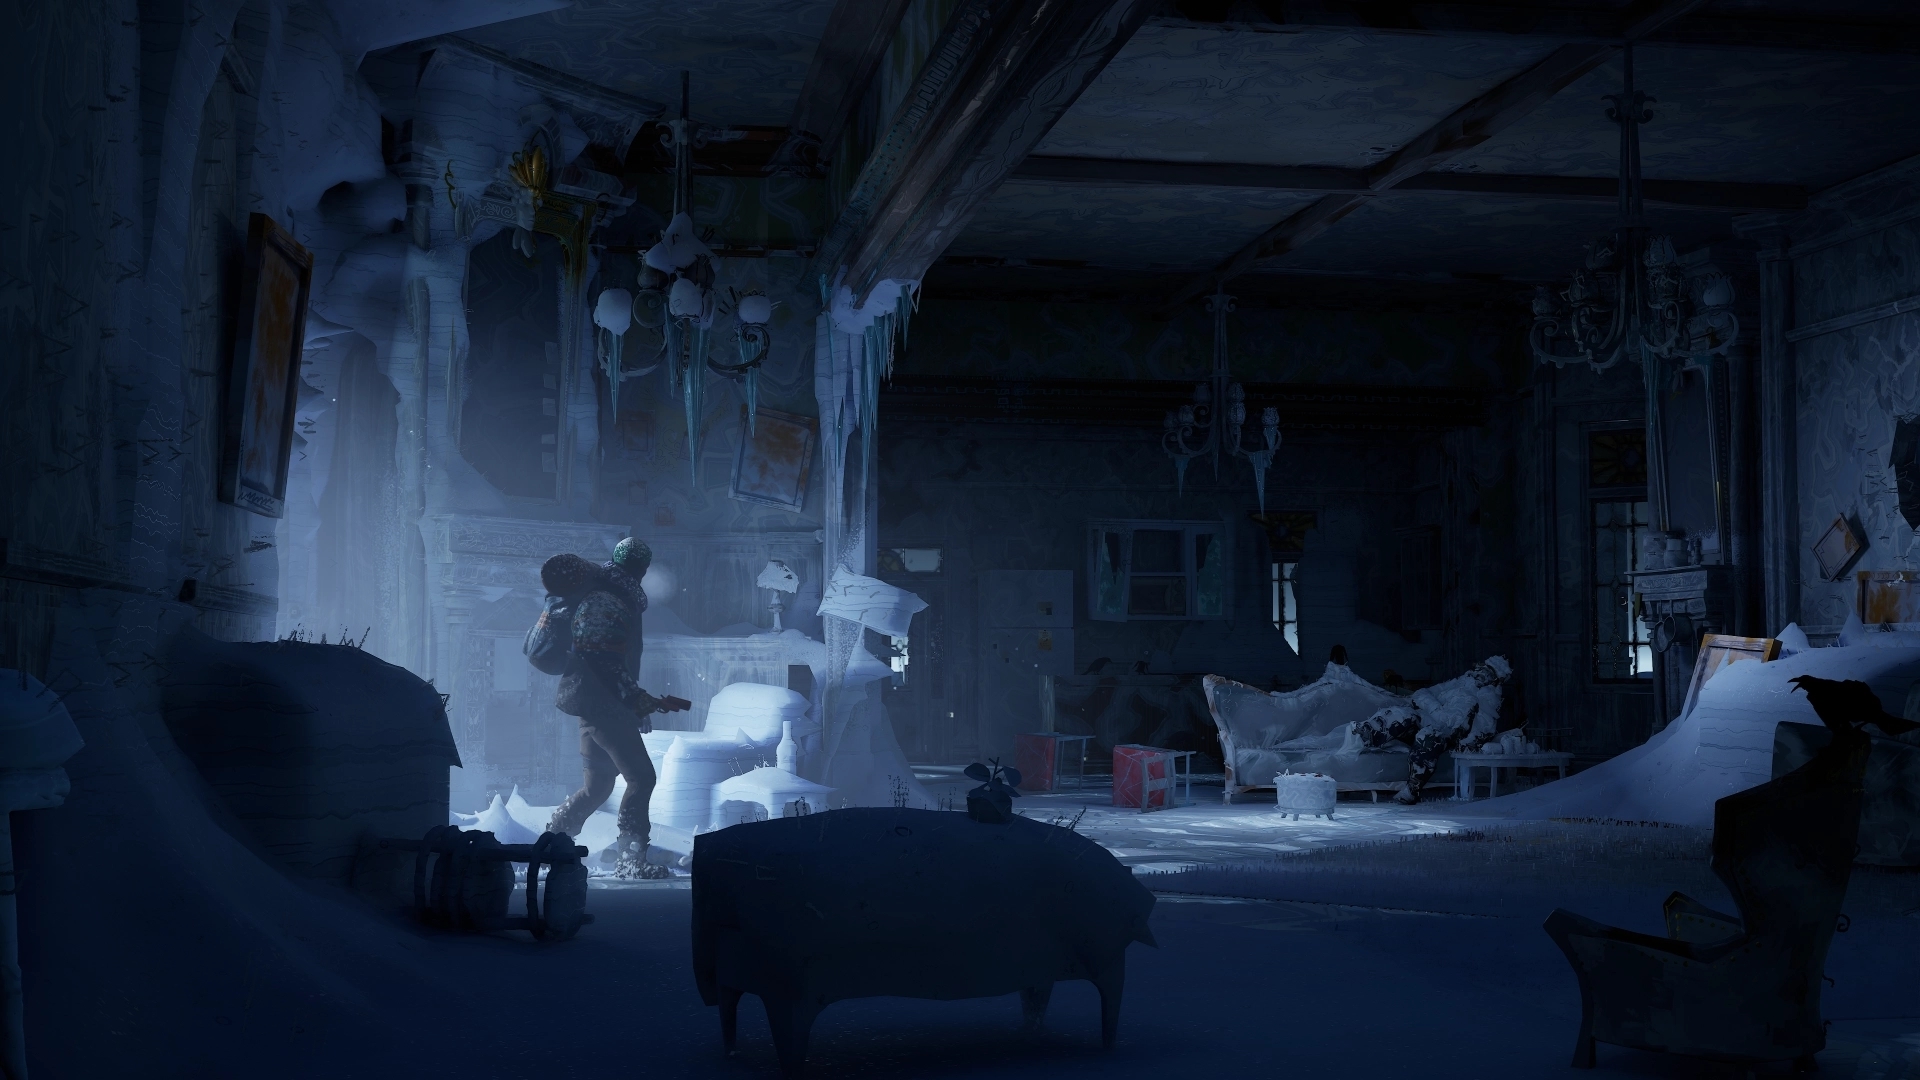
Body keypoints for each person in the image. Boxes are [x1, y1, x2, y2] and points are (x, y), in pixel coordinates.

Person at [544, 538, 675, 878]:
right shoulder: (609, 599)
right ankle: (631, 860)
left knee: (599, 785)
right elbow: (603, 661)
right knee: (641, 778)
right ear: (641, 570)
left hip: (594, 704)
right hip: (604, 706)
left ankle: (551, 845)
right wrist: (636, 702)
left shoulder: (609, 594)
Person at [1352, 655, 1512, 804]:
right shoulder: (1460, 683)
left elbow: (1484, 728)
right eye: (1483, 669)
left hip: (1447, 732)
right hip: (1427, 717)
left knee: (1428, 736)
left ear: (1495, 680)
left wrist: (1468, 742)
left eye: (1488, 673)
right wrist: (1436, 709)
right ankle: (1359, 739)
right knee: (1401, 714)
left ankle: (1412, 789)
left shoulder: (1488, 700)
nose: (1482, 674)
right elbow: (1422, 694)